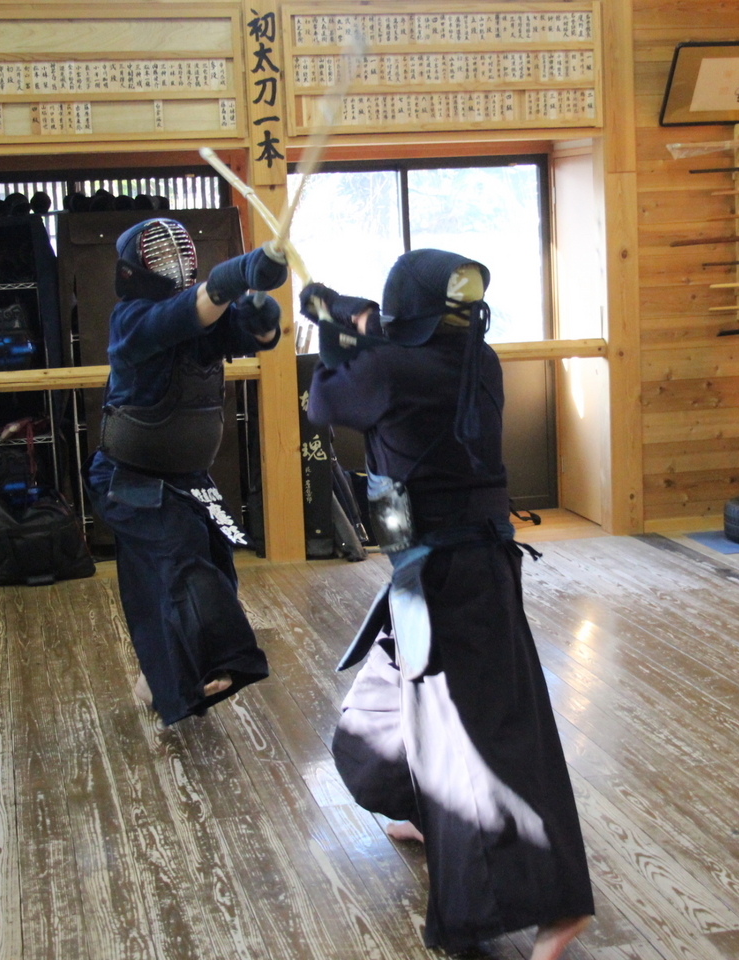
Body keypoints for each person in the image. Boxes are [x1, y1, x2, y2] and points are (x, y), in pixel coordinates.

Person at [304, 250, 594, 960]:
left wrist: (329, 322)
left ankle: (557, 904)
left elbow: (324, 403)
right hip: (448, 571)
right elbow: (389, 354)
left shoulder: (389, 369)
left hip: (447, 581)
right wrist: (348, 316)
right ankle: (421, 814)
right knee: (374, 726)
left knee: (479, 750)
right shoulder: (476, 360)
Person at [85, 217, 285, 725]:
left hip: (189, 478)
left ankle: (159, 679)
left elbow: (247, 333)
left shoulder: (200, 323)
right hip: (127, 477)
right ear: (134, 269)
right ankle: (217, 661)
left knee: (211, 562)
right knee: (181, 554)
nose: (173, 260)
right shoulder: (130, 319)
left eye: (180, 251)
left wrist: (262, 315)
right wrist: (236, 275)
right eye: (159, 254)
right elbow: (180, 315)